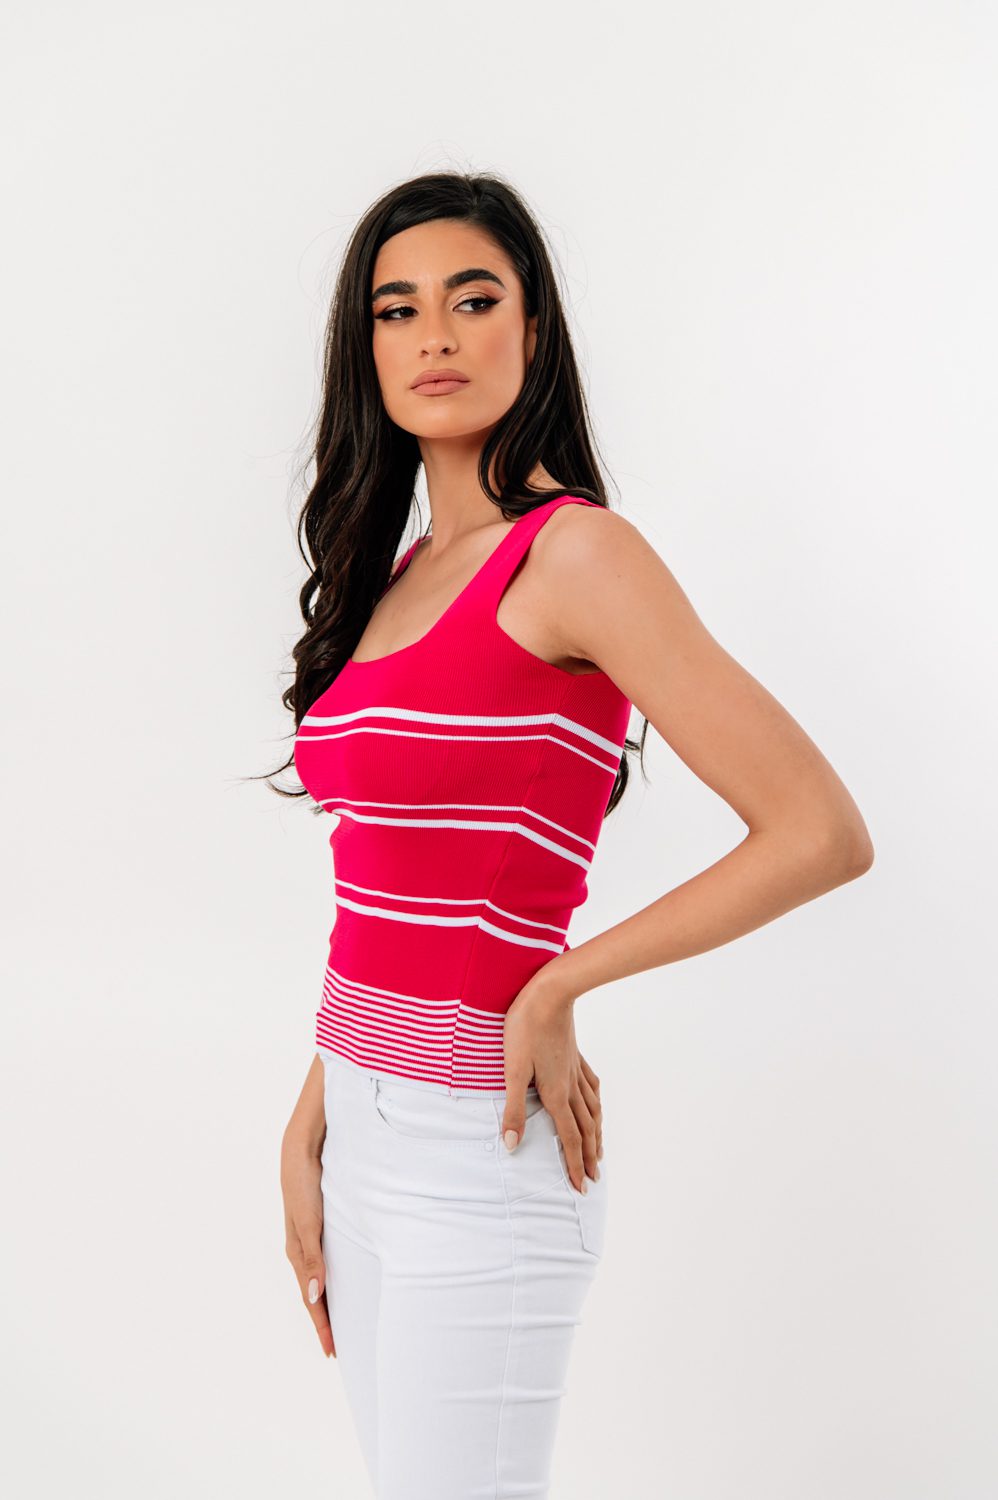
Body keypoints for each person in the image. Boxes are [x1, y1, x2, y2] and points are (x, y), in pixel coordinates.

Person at [271, 171, 874, 1500]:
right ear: (364, 349)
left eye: (472, 299)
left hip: (476, 1155)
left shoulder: (576, 556)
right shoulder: (394, 577)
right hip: (362, 1130)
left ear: (532, 330)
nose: (433, 335)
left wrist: (556, 983)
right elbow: (392, 887)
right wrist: (315, 1117)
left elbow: (818, 831)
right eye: (395, 309)